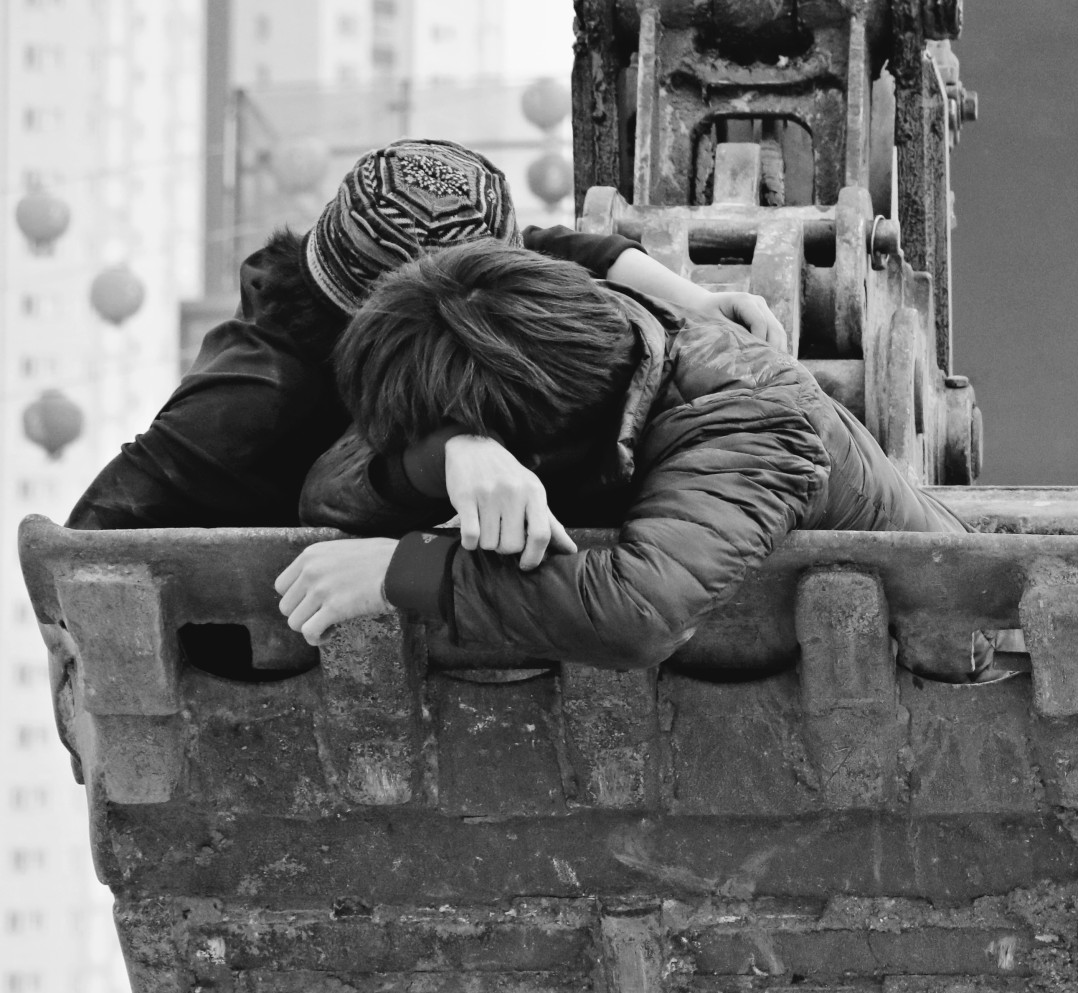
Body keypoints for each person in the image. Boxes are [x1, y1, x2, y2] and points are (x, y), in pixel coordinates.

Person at [65, 138, 785, 561]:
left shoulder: (425, 226)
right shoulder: (257, 397)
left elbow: (546, 246)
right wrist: (453, 449)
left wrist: (693, 300)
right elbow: (94, 535)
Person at [274, 241, 965, 667]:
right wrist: (459, 451)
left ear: (542, 448)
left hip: (926, 650)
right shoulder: (538, 341)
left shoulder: (745, 419)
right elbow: (330, 486)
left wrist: (411, 568)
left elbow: (640, 613)